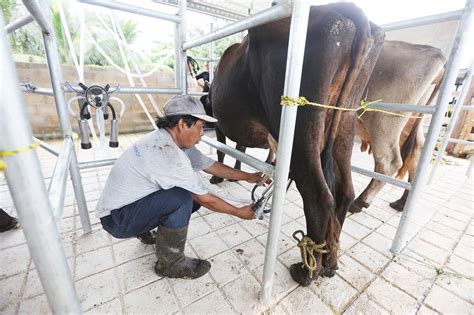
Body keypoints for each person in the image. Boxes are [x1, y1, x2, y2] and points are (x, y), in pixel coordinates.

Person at [96, 95, 262, 279]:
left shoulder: (169, 140)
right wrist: (239, 212)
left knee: (184, 198)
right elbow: (204, 198)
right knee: (182, 198)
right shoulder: (168, 154)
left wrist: (249, 176)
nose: (202, 133)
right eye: (200, 126)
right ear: (183, 124)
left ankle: (146, 231)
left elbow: (212, 166)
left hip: (123, 207)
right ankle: (171, 264)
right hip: (117, 220)